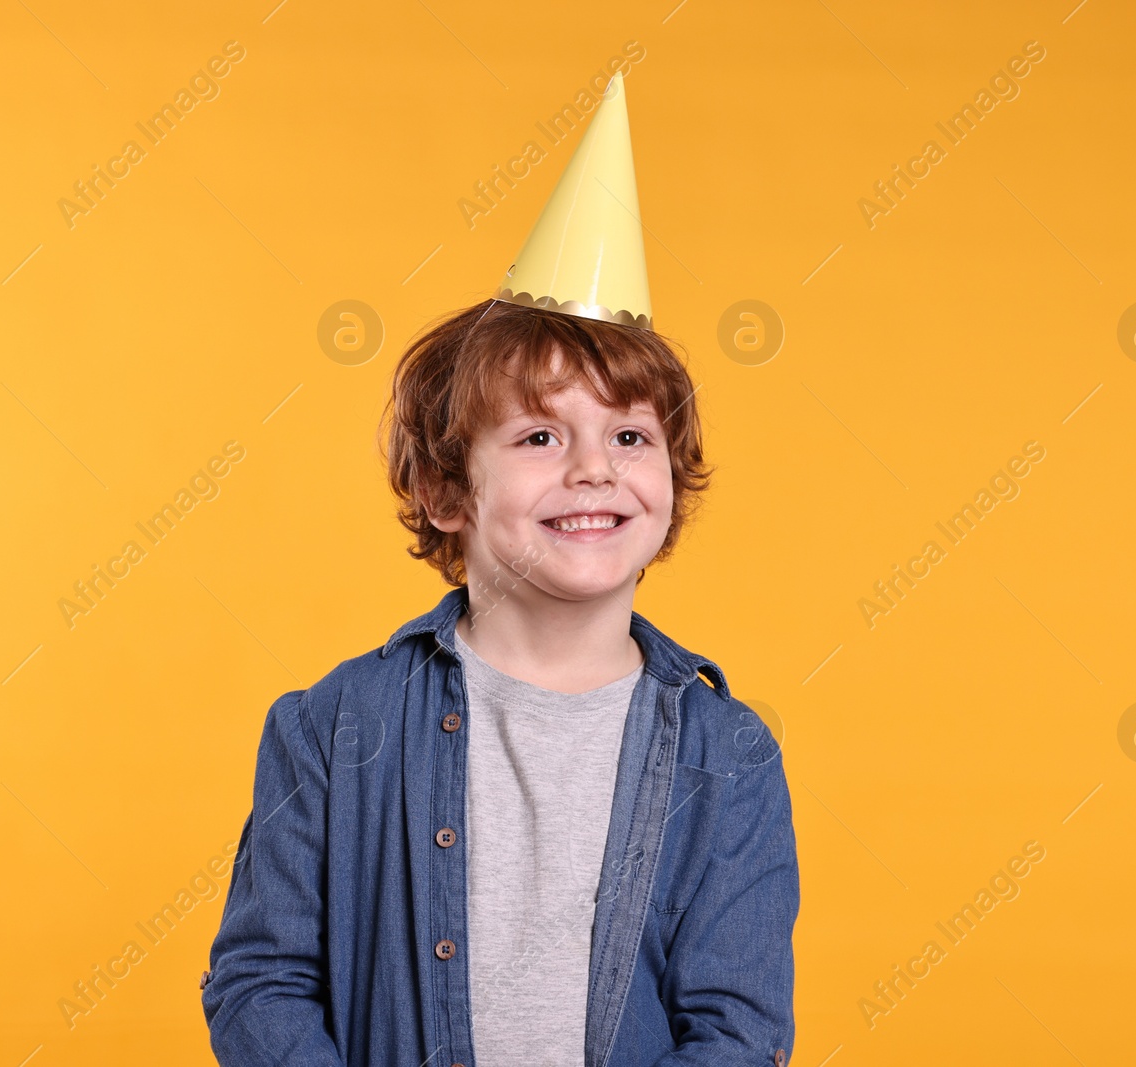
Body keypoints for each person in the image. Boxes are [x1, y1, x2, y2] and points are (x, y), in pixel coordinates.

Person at [201, 71, 799, 1067]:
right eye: (536, 435)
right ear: (446, 491)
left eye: (628, 434)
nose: (593, 467)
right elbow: (259, 982)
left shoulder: (725, 752)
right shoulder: (331, 726)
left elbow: (737, 1029)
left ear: (668, 481)